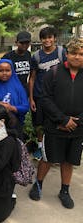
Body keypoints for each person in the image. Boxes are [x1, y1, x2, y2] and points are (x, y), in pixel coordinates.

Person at [29, 37, 83, 209]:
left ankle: (64, 190)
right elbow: (45, 99)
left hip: (78, 128)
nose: (77, 57)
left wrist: (77, 121)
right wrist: (63, 119)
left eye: (81, 54)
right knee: (47, 158)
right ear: (67, 54)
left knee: (69, 161)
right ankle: (38, 184)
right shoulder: (53, 72)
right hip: (54, 125)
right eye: (74, 53)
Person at [28, 27, 67, 160]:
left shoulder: (62, 52)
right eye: (44, 38)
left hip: (58, 95)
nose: (47, 40)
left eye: (50, 37)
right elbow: (32, 78)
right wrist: (31, 98)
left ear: (54, 38)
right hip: (40, 96)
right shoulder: (36, 56)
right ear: (41, 40)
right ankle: (40, 147)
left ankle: (56, 149)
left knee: (58, 121)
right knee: (39, 124)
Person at [0, 59, 29, 138]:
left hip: (15, 124)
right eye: (1, 70)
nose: (4, 73)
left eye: (7, 70)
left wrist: (11, 108)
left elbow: (25, 107)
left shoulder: (18, 87)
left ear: (12, 71)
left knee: (14, 147)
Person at [2, 31, 33, 95]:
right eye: (22, 43)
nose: (24, 45)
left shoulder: (28, 54)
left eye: (27, 43)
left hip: (24, 89)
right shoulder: (8, 56)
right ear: (16, 43)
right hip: (10, 89)